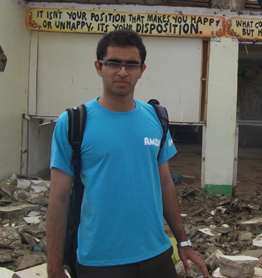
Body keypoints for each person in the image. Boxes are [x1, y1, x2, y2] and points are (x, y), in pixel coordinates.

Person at [46, 30, 209, 278]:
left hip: (157, 256)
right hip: (99, 262)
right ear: (98, 67)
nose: (122, 72)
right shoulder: (73, 123)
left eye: (131, 65)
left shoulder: (157, 118)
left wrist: (183, 242)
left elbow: (165, 184)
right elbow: (58, 199)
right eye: (113, 63)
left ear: (142, 70)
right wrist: (54, 267)